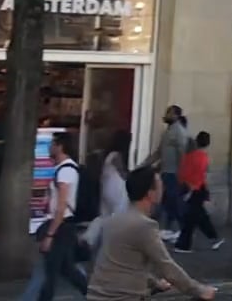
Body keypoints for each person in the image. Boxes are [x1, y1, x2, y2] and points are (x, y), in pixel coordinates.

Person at [86, 166, 215, 301]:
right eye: (160, 185)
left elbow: (122, 264)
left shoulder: (113, 220)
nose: (163, 189)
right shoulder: (144, 226)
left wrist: (154, 283)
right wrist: (199, 290)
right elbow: (167, 267)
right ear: (150, 194)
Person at [19, 130, 90, 301]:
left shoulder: (65, 171)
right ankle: (94, 294)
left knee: (50, 271)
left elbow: (61, 205)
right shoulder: (63, 169)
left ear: (60, 147)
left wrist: (50, 233)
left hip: (61, 226)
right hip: (63, 225)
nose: (49, 147)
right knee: (65, 268)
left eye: (52, 144)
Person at [172, 131, 220, 252]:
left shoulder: (188, 157)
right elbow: (203, 176)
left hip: (189, 188)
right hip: (197, 189)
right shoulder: (204, 157)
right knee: (197, 217)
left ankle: (186, 243)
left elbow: (181, 174)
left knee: (194, 217)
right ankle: (211, 237)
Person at [150, 106, 192, 240]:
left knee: (173, 202)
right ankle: (167, 229)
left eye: (169, 113)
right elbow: (159, 152)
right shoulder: (168, 131)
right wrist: (145, 164)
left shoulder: (179, 132)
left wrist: (182, 174)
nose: (166, 115)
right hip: (166, 172)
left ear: (176, 116)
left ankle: (182, 231)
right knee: (166, 202)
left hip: (173, 174)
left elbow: (182, 154)